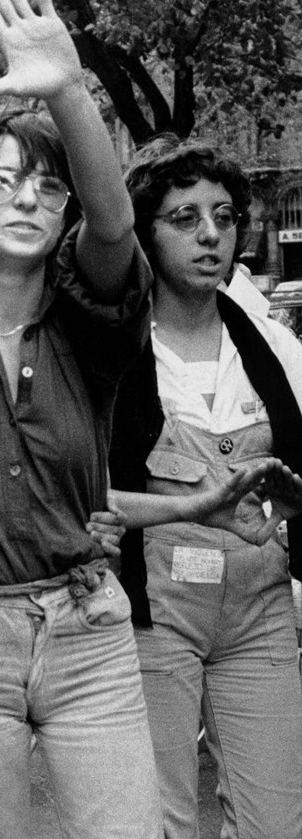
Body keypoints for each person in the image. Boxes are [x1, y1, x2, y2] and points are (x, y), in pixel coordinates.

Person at [108, 138, 302, 839]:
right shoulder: (117, 351)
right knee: (157, 820)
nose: (211, 234)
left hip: (261, 610)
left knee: (276, 821)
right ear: (144, 233)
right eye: (184, 218)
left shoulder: (273, 347)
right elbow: (82, 489)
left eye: (222, 216)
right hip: (152, 612)